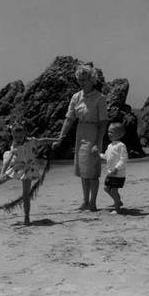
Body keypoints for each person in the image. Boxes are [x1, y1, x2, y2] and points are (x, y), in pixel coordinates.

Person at [53, 64, 108, 212]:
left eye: (85, 79)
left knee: (93, 171)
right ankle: (85, 201)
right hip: (81, 132)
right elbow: (69, 119)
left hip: (94, 132)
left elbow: (103, 123)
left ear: (92, 80)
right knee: (83, 170)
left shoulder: (100, 98)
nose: (82, 82)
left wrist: (97, 143)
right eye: (80, 80)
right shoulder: (76, 97)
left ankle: (93, 203)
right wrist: (61, 137)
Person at [0, 120, 59, 225]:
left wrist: (56, 139)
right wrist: (2, 172)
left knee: (25, 195)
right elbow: (7, 160)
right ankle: (3, 175)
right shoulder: (14, 146)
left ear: (25, 134)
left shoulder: (32, 141)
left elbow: (43, 141)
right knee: (6, 168)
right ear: (12, 135)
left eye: (20, 137)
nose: (18, 139)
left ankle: (26, 218)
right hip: (18, 166)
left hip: (28, 169)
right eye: (15, 137)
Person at [100, 122, 128, 214]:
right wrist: (98, 154)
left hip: (118, 173)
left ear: (120, 134)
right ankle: (118, 201)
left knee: (114, 191)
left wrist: (117, 168)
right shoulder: (110, 145)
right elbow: (106, 156)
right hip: (110, 173)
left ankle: (117, 209)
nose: (109, 134)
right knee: (106, 188)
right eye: (108, 132)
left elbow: (123, 159)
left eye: (112, 132)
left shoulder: (120, 145)